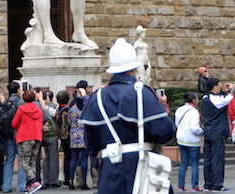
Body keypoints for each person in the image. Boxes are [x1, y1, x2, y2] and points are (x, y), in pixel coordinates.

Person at [80, 38, 174, 194]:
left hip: (110, 171)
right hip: (142, 168)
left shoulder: (97, 97)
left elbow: (91, 144)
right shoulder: (141, 92)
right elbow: (165, 132)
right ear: (134, 68)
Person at [202, 77, 234, 191]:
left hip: (209, 133)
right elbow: (228, 99)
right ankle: (217, 185)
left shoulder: (206, 98)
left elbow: (219, 98)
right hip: (217, 133)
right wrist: (231, 90)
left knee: (208, 160)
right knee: (217, 160)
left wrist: (222, 92)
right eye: (218, 85)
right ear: (214, 87)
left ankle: (208, 184)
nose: (220, 87)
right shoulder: (217, 101)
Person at [11, 89, 44, 194]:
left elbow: (14, 123)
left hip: (25, 137)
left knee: (23, 162)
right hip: (37, 136)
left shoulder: (21, 109)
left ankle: (33, 182)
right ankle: (31, 185)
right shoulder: (38, 109)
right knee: (32, 161)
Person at [0, 82, 27, 193]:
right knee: (22, 160)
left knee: (9, 160)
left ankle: (6, 186)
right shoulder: (21, 102)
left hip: (7, 134)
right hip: (19, 134)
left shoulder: (5, 102)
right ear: (18, 90)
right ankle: (21, 186)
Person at [175, 92, 203, 192]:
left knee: (183, 164)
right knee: (194, 164)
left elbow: (177, 124)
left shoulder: (179, 109)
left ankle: (180, 186)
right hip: (193, 142)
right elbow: (194, 128)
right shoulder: (194, 112)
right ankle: (195, 186)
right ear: (193, 100)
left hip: (181, 140)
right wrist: (202, 131)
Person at [67, 88, 89, 190]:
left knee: (73, 159)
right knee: (84, 159)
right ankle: (84, 182)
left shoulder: (71, 109)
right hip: (83, 134)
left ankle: (71, 181)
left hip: (73, 135)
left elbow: (69, 122)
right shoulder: (84, 109)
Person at [39, 90, 60, 189]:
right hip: (52, 136)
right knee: (53, 158)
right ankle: (53, 180)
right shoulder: (51, 108)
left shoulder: (38, 107)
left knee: (46, 158)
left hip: (43, 136)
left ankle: (46, 180)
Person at [55, 90, 72, 191]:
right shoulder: (67, 110)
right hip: (68, 136)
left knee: (66, 157)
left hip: (61, 136)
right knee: (69, 157)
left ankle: (66, 179)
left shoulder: (58, 109)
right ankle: (68, 179)